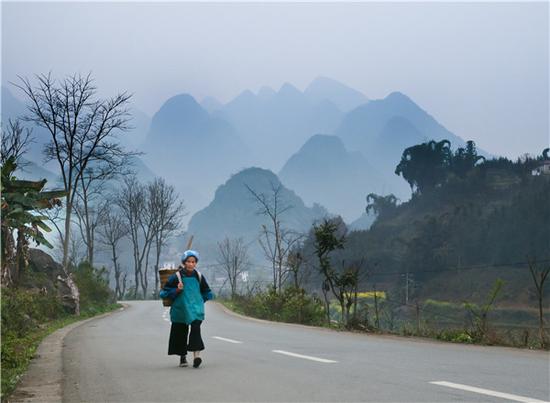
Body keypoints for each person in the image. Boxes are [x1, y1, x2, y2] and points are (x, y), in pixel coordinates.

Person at [160, 249, 214, 368]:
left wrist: (200, 301)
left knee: (195, 329)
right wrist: (177, 290)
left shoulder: (199, 276)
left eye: (193, 262)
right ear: (184, 262)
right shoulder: (176, 277)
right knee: (181, 333)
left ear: (196, 263)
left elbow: (207, 292)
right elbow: (164, 293)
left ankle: (196, 357)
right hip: (181, 309)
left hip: (195, 309)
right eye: (188, 261)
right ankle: (182, 357)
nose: (191, 264)